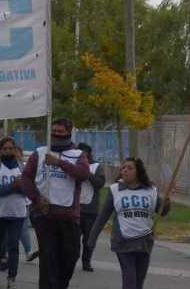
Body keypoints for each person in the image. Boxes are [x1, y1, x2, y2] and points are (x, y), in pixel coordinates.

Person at [22, 118, 89, 289]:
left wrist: (59, 163)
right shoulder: (39, 153)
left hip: (69, 216)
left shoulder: (78, 155)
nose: (56, 134)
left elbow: (83, 174)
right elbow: (26, 178)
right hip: (44, 215)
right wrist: (37, 198)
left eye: (60, 132)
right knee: (48, 260)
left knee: (70, 257)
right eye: (53, 131)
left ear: (69, 133)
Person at [89, 157, 170, 289]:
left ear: (138, 172)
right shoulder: (115, 190)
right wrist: (92, 239)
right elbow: (103, 216)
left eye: (130, 168)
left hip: (144, 242)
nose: (125, 170)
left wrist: (167, 202)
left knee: (138, 283)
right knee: (130, 282)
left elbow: (162, 211)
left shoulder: (150, 190)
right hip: (123, 242)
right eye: (123, 168)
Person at [0, 137, 29, 289]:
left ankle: (12, 277)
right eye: (5, 149)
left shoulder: (23, 168)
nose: (8, 151)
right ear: (0, 150)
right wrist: (12, 186)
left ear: (15, 150)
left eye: (11, 148)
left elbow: (29, 189)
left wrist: (20, 187)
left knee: (13, 246)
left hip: (17, 213)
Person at [77, 143, 105, 272]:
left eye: (84, 153)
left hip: (90, 209)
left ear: (89, 154)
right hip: (75, 208)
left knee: (89, 238)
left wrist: (87, 173)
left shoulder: (97, 166)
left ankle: (86, 262)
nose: (81, 155)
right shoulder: (73, 165)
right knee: (73, 238)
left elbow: (100, 183)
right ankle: (71, 259)